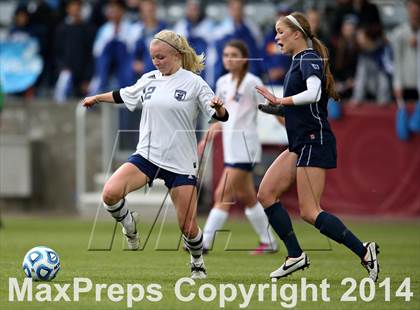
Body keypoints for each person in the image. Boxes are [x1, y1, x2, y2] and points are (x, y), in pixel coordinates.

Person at [82, 30, 229, 279]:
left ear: (177, 55)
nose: (156, 62)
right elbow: (124, 93)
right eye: (153, 58)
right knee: (110, 193)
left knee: (188, 227)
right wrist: (97, 98)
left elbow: (220, 115)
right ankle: (130, 224)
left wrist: (220, 108)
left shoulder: (194, 83)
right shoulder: (149, 78)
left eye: (160, 57)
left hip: (181, 162)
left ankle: (197, 262)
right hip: (148, 156)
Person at [255, 12, 380, 281]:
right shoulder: (298, 61)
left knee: (310, 212)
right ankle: (295, 255)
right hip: (301, 142)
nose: (276, 37)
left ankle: (364, 251)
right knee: (266, 194)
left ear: (297, 34)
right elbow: (303, 106)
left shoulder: (309, 57)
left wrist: (282, 101)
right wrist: (277, 108)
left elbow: (314, 93)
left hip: (314, 140)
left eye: (280, 31)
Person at [200, 40, 278, 255]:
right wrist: (210, 132)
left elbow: (271, 107)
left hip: (247, 146)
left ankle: (203, 243)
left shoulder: (253, 82)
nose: (229, 58)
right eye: (226, 54)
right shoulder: (223, 82)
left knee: (222, 193)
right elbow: (223, 115)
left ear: (244, 58)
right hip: (230, 146)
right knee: (248, 196)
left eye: (234, 54)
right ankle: (269, 240)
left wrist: (286, 124)